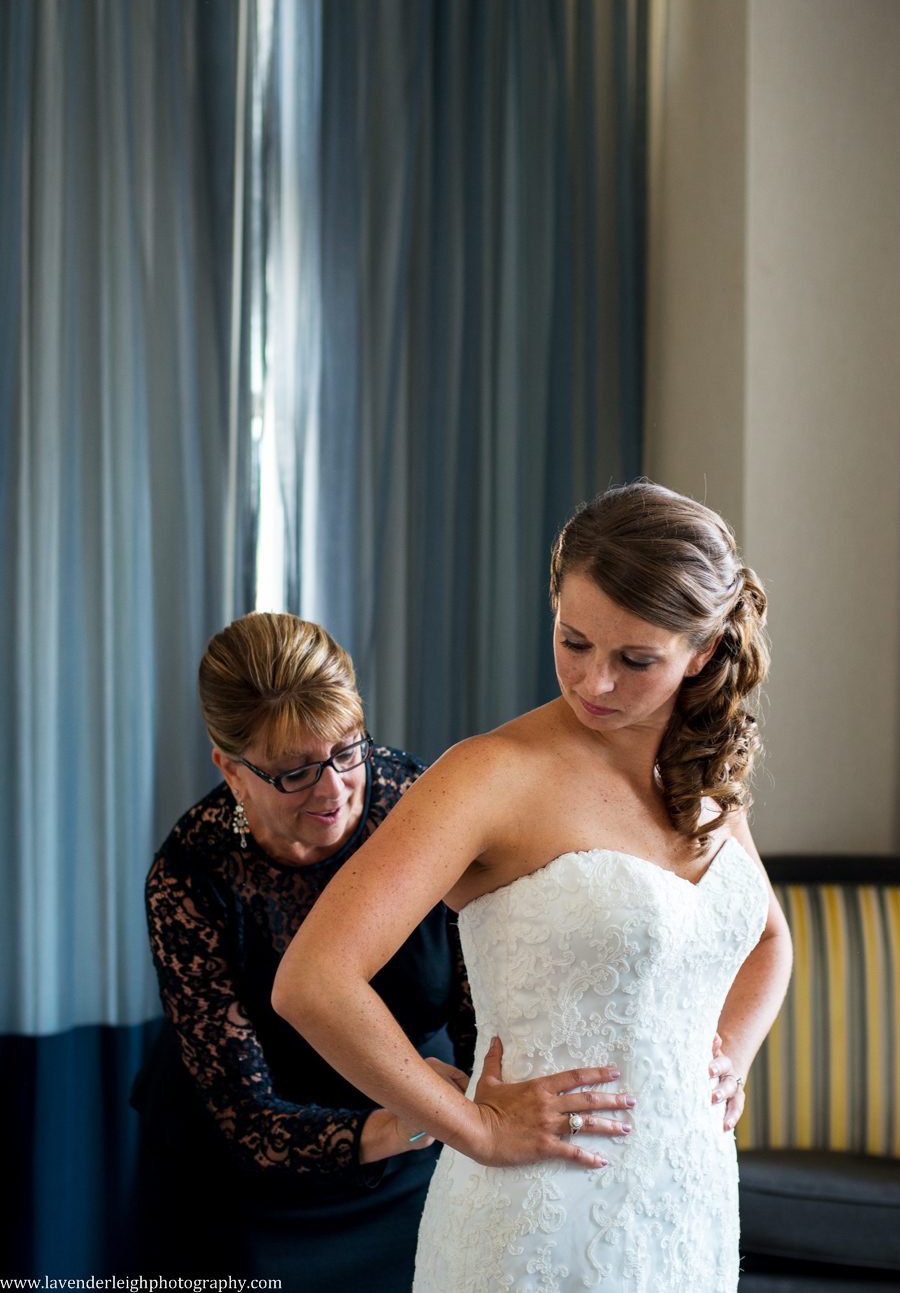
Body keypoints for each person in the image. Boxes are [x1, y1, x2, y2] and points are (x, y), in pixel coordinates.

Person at [272, 481, 793, 1293]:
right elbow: (314, 981)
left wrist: (734, 1050)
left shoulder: (705, 771)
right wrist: (473, 1127)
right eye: (574, 638)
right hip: (536, 1223)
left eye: (636, 659)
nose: (596, 682)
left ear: (705, 649)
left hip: (687, 1205)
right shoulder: (489, 776)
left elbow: (766, 939)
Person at [130, 612, 475, 1289]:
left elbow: (480, 1000)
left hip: (417, 1164)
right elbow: (251, 1122)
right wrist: (407, 1120)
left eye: (347, 749)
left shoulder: (417, 803)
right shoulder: (191, 873)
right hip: (240, 1190)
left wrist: (467, 1116)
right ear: (230, 768)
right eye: (293, 771)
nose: (333, 788)